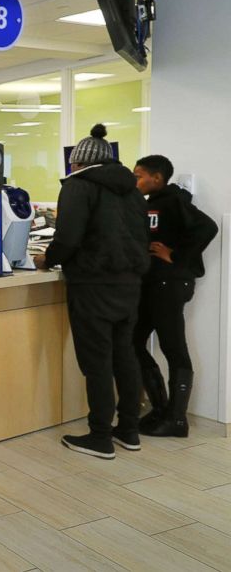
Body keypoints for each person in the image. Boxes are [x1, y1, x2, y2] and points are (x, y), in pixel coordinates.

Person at [35, 125, 149, 460]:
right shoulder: (132, 190)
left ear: (79, 163)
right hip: (130, 283)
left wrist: (47, 259)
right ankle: (128, 430)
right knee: (124, 355)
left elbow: (68, 238)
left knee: (96, 361)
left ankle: (100, 436)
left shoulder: (78, 187)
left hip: (93, 284)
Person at [132, 155, 217, 438]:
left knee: (174, 348)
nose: (135, 180)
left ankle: (177, 420)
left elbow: (208, 227)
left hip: (171, 284)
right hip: (154, 283)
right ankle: (161, 409)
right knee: (133, 342)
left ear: (157, 178)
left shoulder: (173, 201)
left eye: (139, 175)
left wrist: (176, 256)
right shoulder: (149, 204)